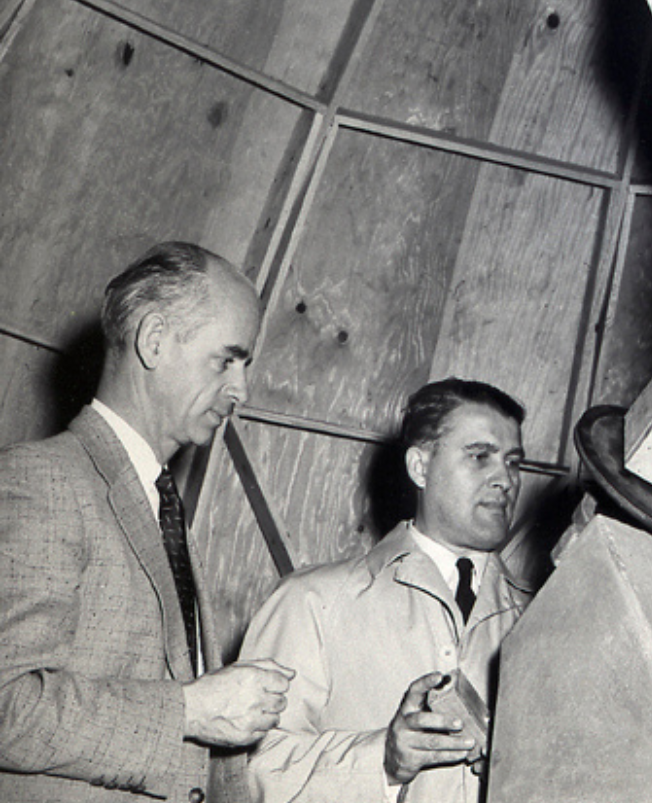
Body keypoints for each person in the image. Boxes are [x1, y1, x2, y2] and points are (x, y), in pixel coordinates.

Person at [0, 241, 295, 802]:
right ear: (154, 340)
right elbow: (6, 706)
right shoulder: (41, 480)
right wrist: (189, 710)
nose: (241, 390)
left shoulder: (159, 505)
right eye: (226, 360)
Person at [240, 378, 533, 803]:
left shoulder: (539, 621)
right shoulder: (310, 602)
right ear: (420, 467)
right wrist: (383, 761)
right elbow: (248, 775)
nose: (504, 479)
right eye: (479, 456)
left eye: (513, 462)